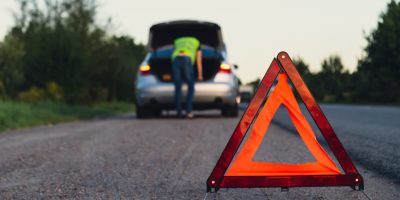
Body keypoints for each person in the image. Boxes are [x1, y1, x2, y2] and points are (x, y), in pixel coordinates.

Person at [171, 36, 203, 118]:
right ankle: (188, 111)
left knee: (178, 88)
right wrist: (200, 75)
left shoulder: (177, 40)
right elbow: (199, 62)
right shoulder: (196, 42)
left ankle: (179, 113)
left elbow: (173, 51)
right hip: (187, 59)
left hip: (176, 59)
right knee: (191, 87)